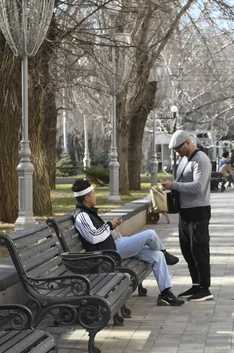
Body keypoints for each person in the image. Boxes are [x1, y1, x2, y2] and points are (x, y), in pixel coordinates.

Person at [71, 178, 184, 307]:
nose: (95, 196)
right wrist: (109, 224)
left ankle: (166, 295)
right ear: (86, 198)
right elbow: (93, 237)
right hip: (110, 253)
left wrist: (111, 225)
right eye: (93, 193)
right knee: (150, 234)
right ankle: (165, 253)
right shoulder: (81, 215)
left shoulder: (87, 212)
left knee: (156, 256)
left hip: (116, 245)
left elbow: (98, 232)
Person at [161, 131, 213, 302]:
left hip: (198, 210)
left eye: (178, 149)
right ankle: (196, 284)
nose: (177, 152)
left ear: (187, 143)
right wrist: (171, 187)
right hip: (185, 211)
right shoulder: (184, 160)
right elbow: (182, 182)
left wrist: (174, 184)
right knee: (188, 249)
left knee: (199, 248)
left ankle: (205, 288)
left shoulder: (201, 160)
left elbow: (198, 186)